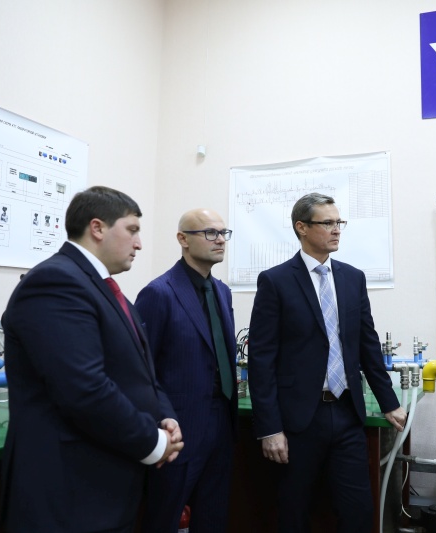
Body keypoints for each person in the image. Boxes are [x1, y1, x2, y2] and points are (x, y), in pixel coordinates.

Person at [0, 185, 183, 532]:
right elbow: (83, 388)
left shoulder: (106, 290)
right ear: (97, 228)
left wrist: (164, 416)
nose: (139, 244)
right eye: (132, 230)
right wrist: (153, 441)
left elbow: (140, 372)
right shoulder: (56, 281)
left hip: (105, 484)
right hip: (68, 493)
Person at [248, 192, 407, 533]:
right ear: (302, 227)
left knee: (357, 510)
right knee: (294, 510)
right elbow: (261, 360)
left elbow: (367, 344)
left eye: (339, 222)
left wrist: (389, 401)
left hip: (347, 412)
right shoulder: (275, 281)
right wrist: (270, 428)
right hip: (298, 419)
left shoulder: (352, 278)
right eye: (328, 223)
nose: (337, 230)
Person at [134, 209, 238, 532]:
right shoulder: (159, 292)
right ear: (183, 239)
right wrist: (159, 422)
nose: (220, 240)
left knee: (213, 516)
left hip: (222, 422)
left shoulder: (222, 291)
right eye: (210, 233)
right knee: (165, 518)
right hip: (179, 427)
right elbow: (141, 370)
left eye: (223, 233)